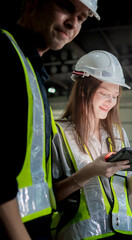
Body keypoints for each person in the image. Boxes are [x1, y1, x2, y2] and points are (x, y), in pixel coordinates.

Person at [0, 0, 100, 239]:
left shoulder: (32, 70)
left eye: (82, 18)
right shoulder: (4, 54)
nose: (72, 23)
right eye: (67, 7)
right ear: (33, 3)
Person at [51, 50, 132, 239]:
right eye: (104, 94)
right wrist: (91, 171)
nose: (111, 102)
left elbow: (124, 192)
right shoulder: (57, 133)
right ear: (83, 90)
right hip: (80, 235)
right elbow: (51, 197)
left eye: (115, 96)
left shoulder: (117, 134)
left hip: (123, 233)